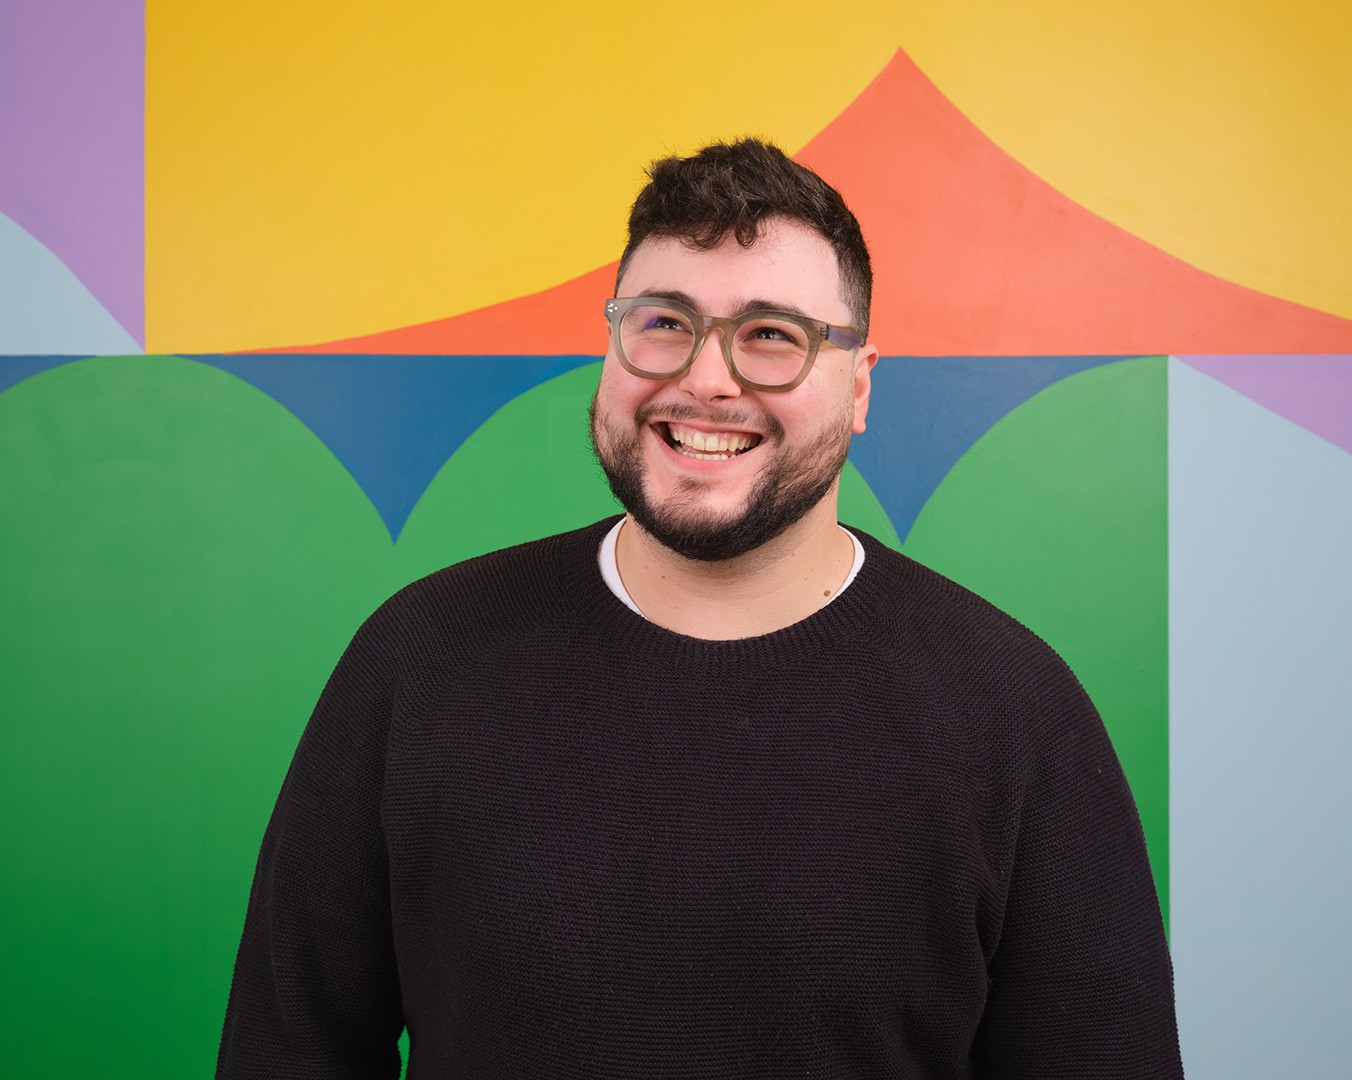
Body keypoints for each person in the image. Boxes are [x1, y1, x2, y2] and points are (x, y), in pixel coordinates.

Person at [218, 139, 1183, 1078]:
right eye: (665, 322)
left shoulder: (1015, 710)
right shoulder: (418, 658)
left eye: (772, 335)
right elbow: (286, 1052)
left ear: (859, 385)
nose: (706, 377)